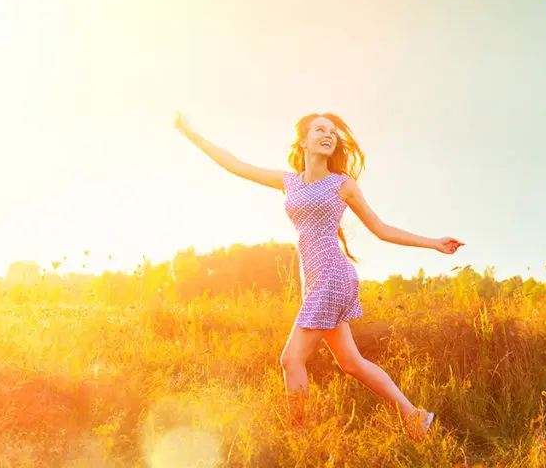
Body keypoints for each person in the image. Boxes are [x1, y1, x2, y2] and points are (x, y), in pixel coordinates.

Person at [173, 110, 463, 439]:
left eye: (333, 132)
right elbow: (236, 164)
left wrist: (433, 243)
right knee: (351, 363)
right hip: (316, 280)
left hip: (332, 276)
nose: (329, 135)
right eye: (320, 130)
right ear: (304, 140)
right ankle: (416, 417)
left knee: (290, 359)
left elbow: (380, 229)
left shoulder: (343, 185)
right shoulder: (289, 182)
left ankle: (299, 438)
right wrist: (189, 133)